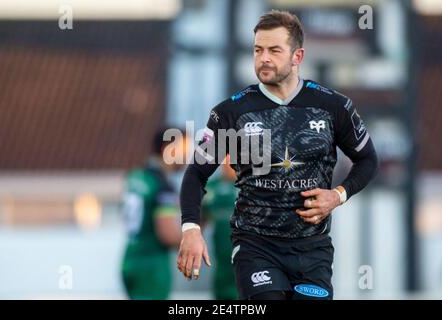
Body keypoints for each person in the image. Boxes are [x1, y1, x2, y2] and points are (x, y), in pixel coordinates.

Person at [177, 10, 378, 300]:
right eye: (258, 50)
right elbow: (196, 174)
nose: (263, 58)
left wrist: (338, 195)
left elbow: (368, 160)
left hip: (313, 249)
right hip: (256, 245)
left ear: (297, 56)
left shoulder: (333, 107)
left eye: (274, 50)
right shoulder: (230, 113)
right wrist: (191, 229)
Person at [121, 127, 187, 300]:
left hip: (130, 258)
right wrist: (194, 238)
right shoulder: (162, 185)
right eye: (184, 150)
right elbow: (167, 234)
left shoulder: (136, 176)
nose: (187, 157)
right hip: (152, 265)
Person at [202, 156, 238, 300]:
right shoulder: (211, 187)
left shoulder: (250, 185)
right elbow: (201, 218)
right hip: (220, 255)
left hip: (246, 254)